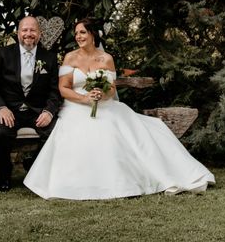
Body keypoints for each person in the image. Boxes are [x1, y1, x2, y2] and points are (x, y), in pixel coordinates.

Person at [24, 17, 215, 200]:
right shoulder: (70, 57)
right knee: (88, 132)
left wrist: (102, 94)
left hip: (106, 106)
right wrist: (85, 98)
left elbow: (112, 88)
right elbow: (63, 89)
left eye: (82, 32)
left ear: (93, 34)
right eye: (76, 33)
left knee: (132, 131)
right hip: (76, 106)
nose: (78, 37)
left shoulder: (106, 59)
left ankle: (145, 177)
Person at [0, 16, 62, 192]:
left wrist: (49, 111)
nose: (28, 34)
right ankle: (5, 170)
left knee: (57, 132)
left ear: (39, 34)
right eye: (24, 30)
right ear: (18, 33)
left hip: (37, 111)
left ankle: (33, 164)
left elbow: (55, 90)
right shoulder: (3, 53)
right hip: (9, 110)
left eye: (33, 30)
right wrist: (0, 108)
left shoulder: (48, 58)